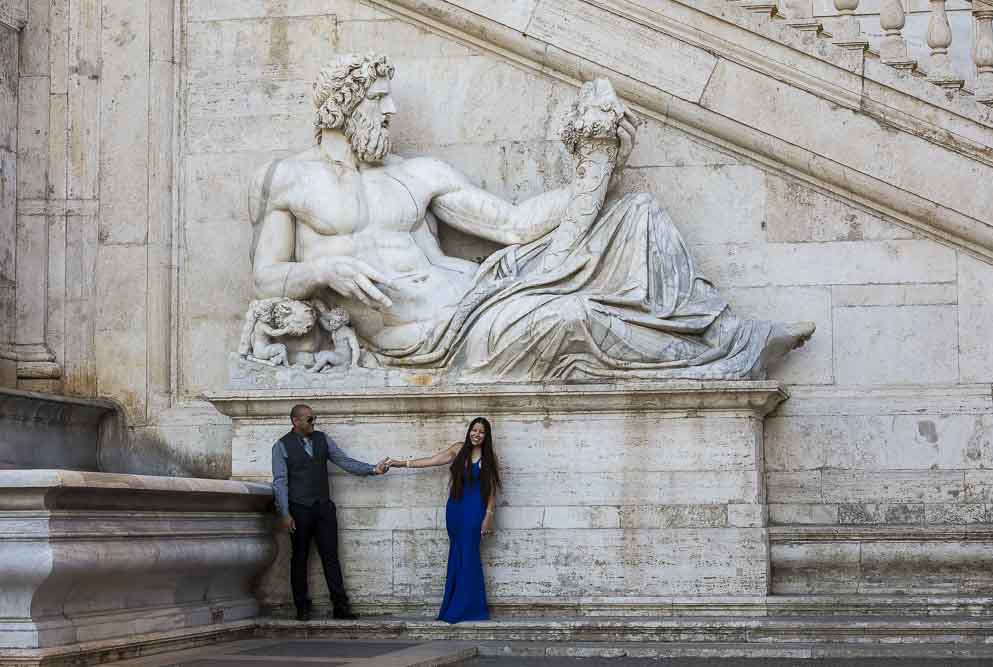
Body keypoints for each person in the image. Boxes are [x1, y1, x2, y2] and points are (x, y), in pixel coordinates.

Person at [247, 54, 814, 383]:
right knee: (574, 316)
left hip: (484, 294)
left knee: (636, 216)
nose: (391, 109)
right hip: (428, 335)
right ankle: (718, 358)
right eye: (378, 98)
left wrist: (594, 169)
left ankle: (723, 335)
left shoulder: (417, 174)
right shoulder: (291, 179)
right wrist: (321, 274)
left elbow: (514, 225)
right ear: (344, 106)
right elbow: (267, 277)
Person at [271, 403, 390, 621]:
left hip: (324, 508)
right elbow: (280, 482)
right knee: (299, 558)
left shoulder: (322, 439)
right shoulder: (281, 446)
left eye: (313, 418)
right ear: (296, 421)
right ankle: (302, 607)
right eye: (309, 419)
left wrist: (372, 469)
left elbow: (344, 461)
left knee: (331, 557)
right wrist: (285, 513)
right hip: (299, 509)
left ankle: (340, 606)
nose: (313, 422)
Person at [388, 417, 501, 623]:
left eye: (481, 432)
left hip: (475, 511)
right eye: (474, 430)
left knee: (469, 556)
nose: (476, 434)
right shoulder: (458, 449)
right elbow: (432, 460)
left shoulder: (488, 457)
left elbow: (492, 491)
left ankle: (468, 609)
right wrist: (400, 463)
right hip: (455, 509)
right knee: (457, 555)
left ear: (487, 436)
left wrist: (488, 517)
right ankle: (455, 606)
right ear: (469, 432)